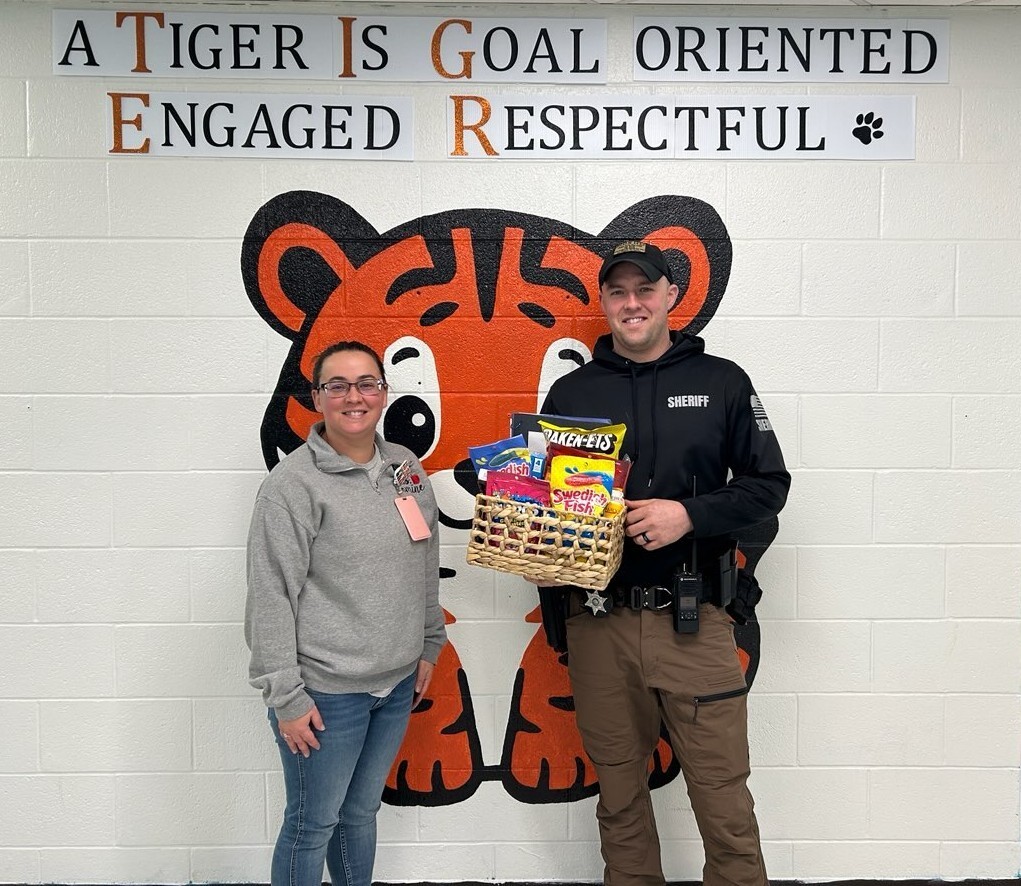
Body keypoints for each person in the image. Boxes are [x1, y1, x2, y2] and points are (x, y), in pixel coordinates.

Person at [534, 240, 790, 886]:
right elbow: (546, 509)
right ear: (603, 302)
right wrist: (534, 547)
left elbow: (768, 487)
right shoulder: (570, 394)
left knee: (723, 803)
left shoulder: (721, 382)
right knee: (618, 803)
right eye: (617, 292)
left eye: (643, 290)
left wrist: (687, 515)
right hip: (598, 625)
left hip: (692, 620)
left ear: (670, 295)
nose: (631, 303)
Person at [245, 340, 446, 886]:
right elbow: (271, 596)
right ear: (317, 398)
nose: (353, 397)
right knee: (313, 824)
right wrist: (286, 697)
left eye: (367, 384)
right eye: (338, 385)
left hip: (397, 684)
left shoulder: (405, 467)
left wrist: (430, 643)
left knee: (359, 815)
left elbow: (423, 557)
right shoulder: (292, 487)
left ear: (384, 393)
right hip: (326, 694)